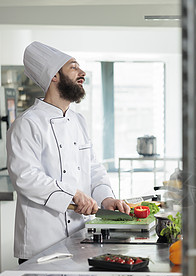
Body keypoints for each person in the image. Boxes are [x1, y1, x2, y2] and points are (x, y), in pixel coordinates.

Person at [6, 41, 130, 262]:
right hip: (41, 242)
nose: (82, 73)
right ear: (54, 76)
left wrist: (106, 198)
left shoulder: (78, 120)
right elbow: (25, 177)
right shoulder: (28, 124)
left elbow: (92, 167)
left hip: (79, 237)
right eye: (73, 67)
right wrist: (72, 193)